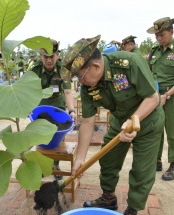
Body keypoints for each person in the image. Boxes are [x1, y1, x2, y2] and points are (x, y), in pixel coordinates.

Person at [60, 35, 165, 215]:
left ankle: (133, 208)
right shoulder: (88, 87)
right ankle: (108, 198)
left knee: (141, 170)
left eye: (80, 76)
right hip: (120, 121)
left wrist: (133, 121)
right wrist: (80, 158)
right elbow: (87, 121)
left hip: (148, 122)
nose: (80, 82)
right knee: (108, 159)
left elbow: (153, 97)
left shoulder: (130, 63)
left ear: (96, 66)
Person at [29, 39, 76, 180]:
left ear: (57, 55)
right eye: (45, 57)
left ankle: (55, 166)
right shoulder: (34, 71)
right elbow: (29, 92)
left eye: (52, 56)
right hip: (40, 109)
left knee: (58, 140)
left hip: (57, 109)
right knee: (41, 139)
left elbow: (68, 92)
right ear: (40, 56)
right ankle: (43, 166)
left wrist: (72, 111)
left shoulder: (63, 70)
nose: (49, 60)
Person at [146, 17, 174, 179]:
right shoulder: (154, 51)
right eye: (156, 35)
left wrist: (166, 95)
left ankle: (173, 164)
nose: (158, 38)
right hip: (155, 95)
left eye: (162, 35)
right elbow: (147, 72)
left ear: (171, 32)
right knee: (155, 128)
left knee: (172, 131)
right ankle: (156, 160)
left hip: (171, 96)